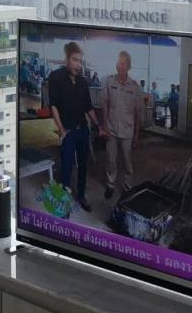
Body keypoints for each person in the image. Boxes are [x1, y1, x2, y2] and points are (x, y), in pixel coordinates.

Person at [45, 42, 100, 211]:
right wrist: (61, 130)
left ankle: (81, 196)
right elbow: (53, 105)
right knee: (66, 167)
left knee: (83, 166)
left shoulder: (83, 82)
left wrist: (98, 125)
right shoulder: (56, 77)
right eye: (75, 60)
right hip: (67, 131)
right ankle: (63, 201)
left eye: (80, 61)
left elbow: (88, 107)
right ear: (66, 59)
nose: (78, 64)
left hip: (82, 130)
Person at [101, 51, 141, 201]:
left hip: (127, 131)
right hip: (111, 130)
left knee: (127, 161)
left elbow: (137, 112)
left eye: (123, 63)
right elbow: (105, 105)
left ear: (129, 66)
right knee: (111, 160)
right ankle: (110, 184)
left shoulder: (135, 87)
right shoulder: (109, 82)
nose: (119, 66)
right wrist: (105, 127)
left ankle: (127, 185)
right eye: (118, 62)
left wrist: (136, 134)